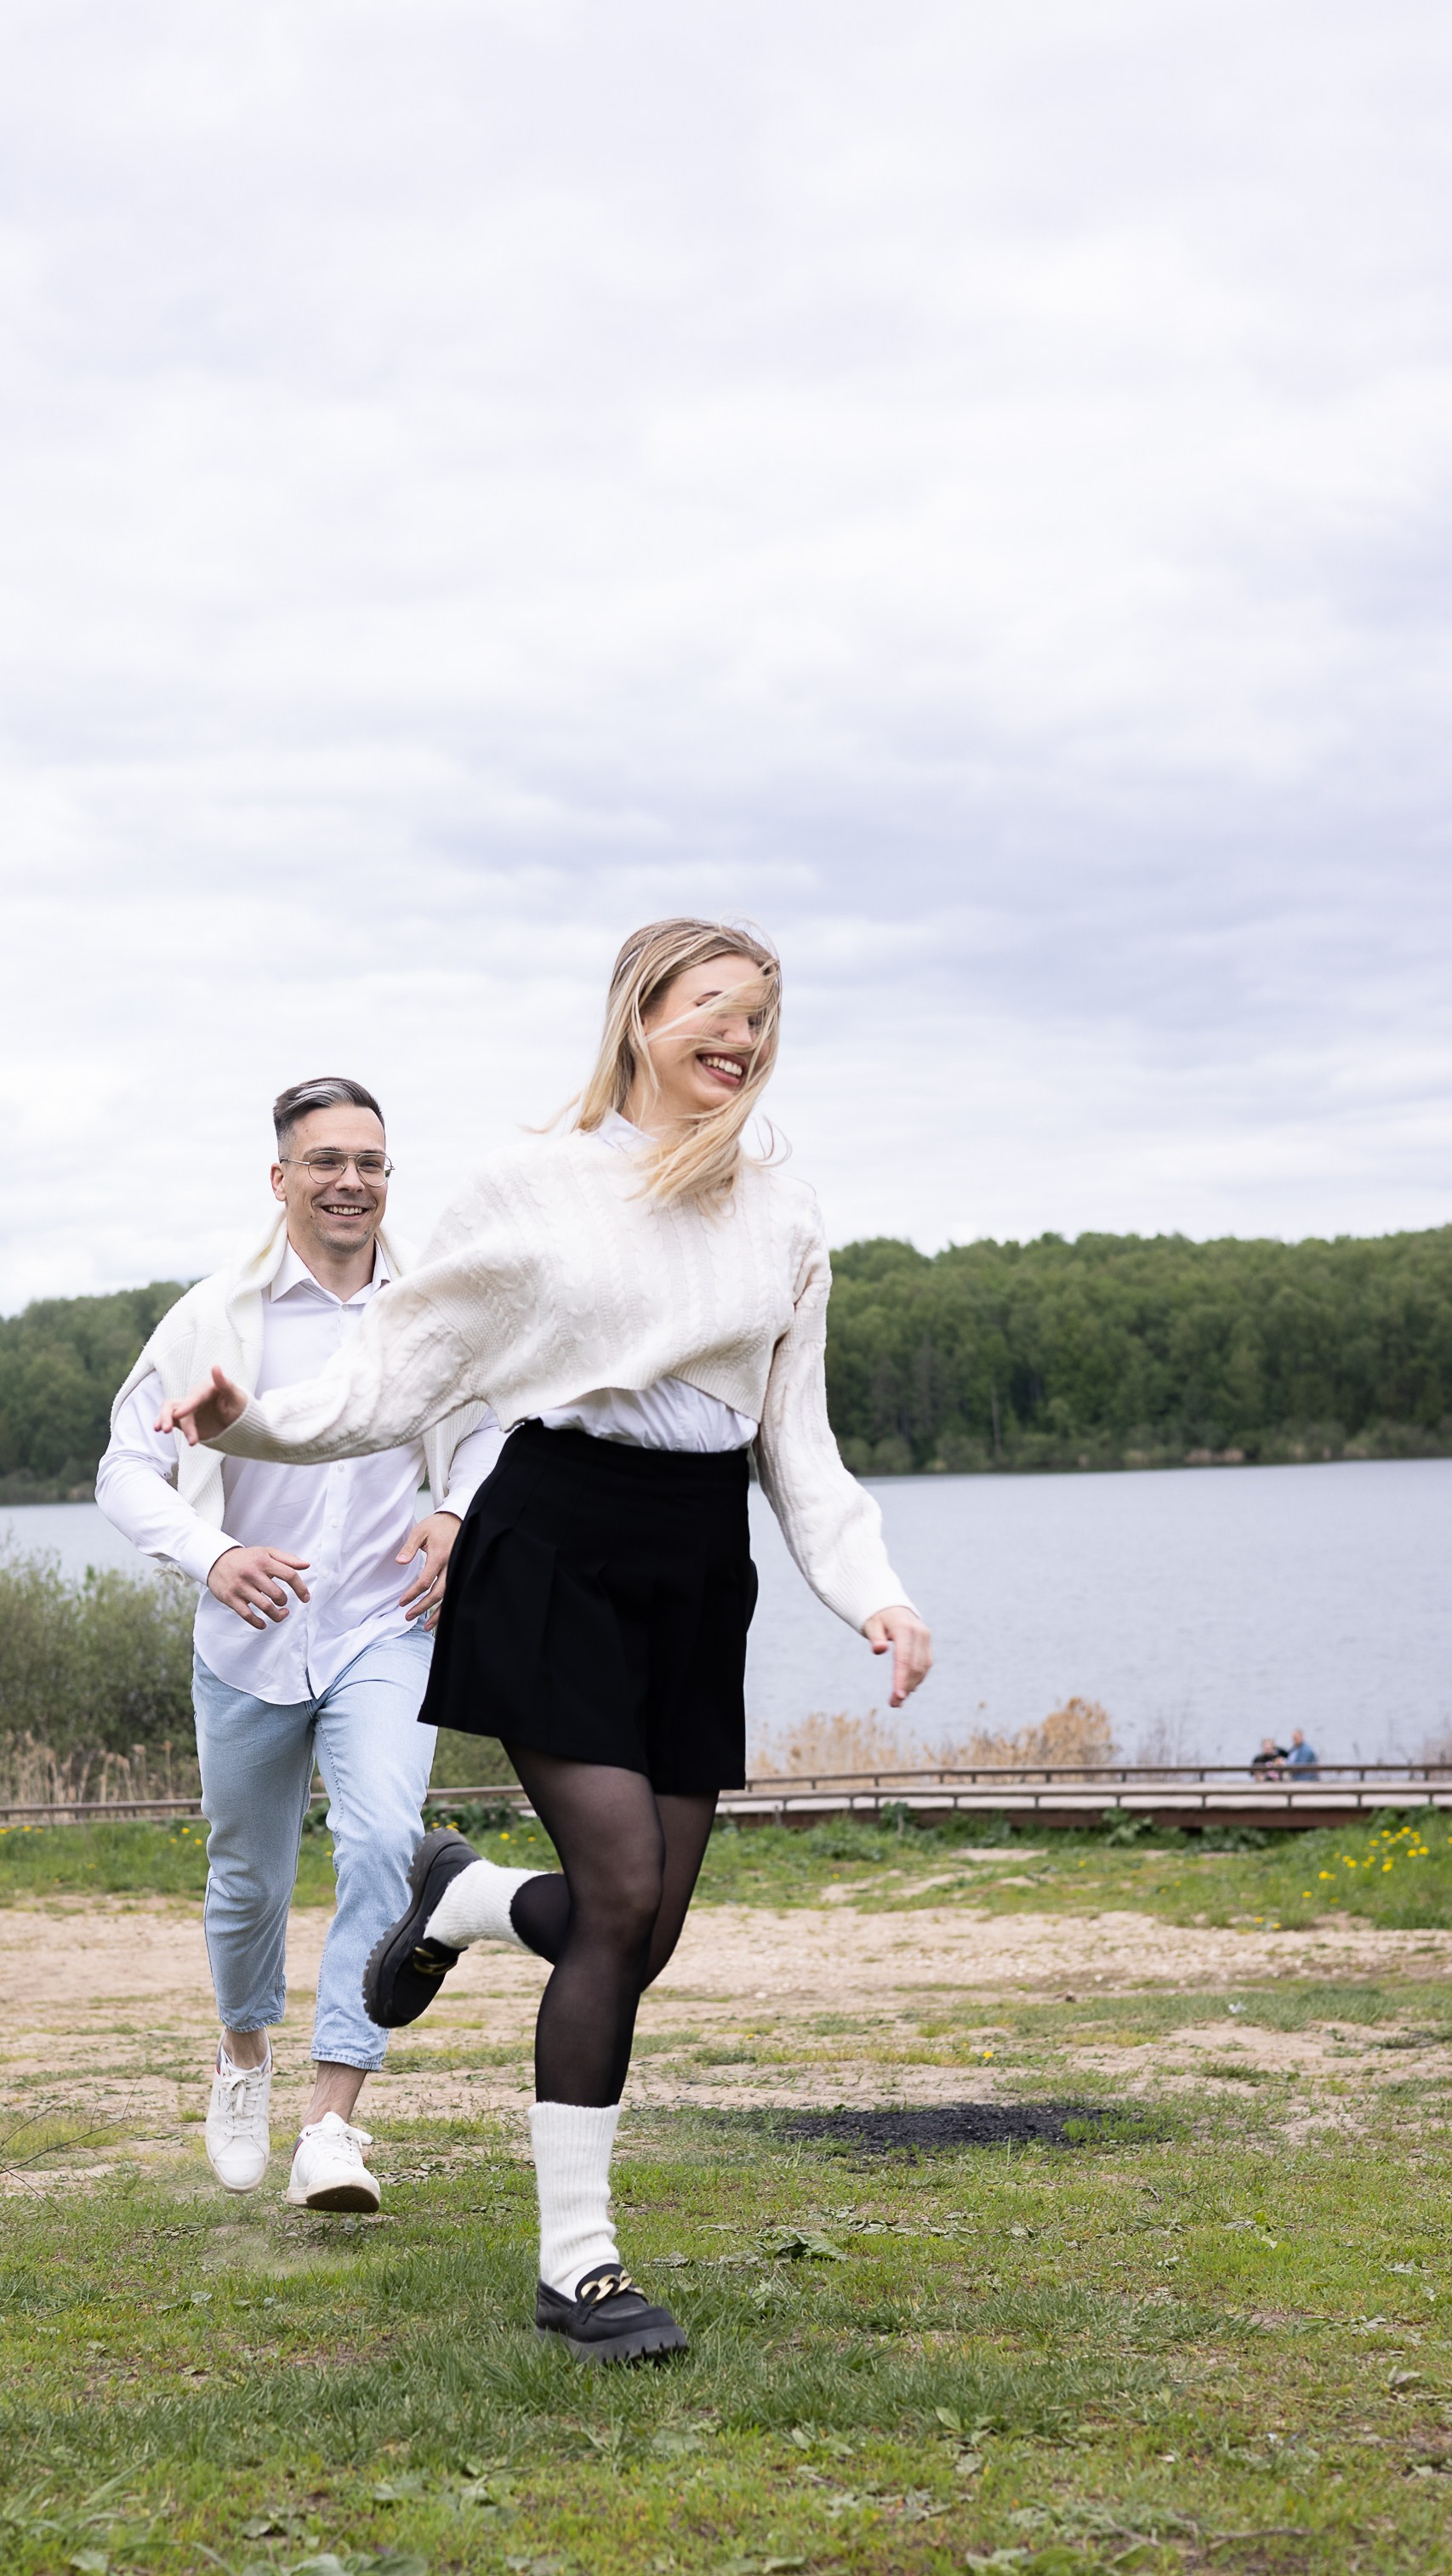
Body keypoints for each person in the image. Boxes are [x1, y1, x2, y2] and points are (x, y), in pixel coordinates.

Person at [159, 922, 931, 2362]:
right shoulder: (536, 1188)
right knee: (621, 1888)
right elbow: (400, 1374)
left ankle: (456, 1904)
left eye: (761, 1018)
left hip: (700, 1563)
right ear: (641, 1016)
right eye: (713, 1010)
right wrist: (248, 1425)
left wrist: (872, 1588)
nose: (741, 1040)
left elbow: (797, 1441)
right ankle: (578, 2267)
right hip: (556, 1542)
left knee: (642, 1933)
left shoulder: (785, 1213)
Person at [100, 1076, 500, 2214]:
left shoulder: (431, 1310)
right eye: (325, 1161)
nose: (350, 1182)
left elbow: (491, 1432)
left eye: (370, 1162)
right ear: (280, 1181)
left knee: (383, 1839)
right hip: (249, 1637)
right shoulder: (214, 1318)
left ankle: (332, 2125)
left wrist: (456, 1514)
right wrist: (209, 1555)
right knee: (245, 1882)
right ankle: (240, 2061)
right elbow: (125, 1468)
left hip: (385, 1623)